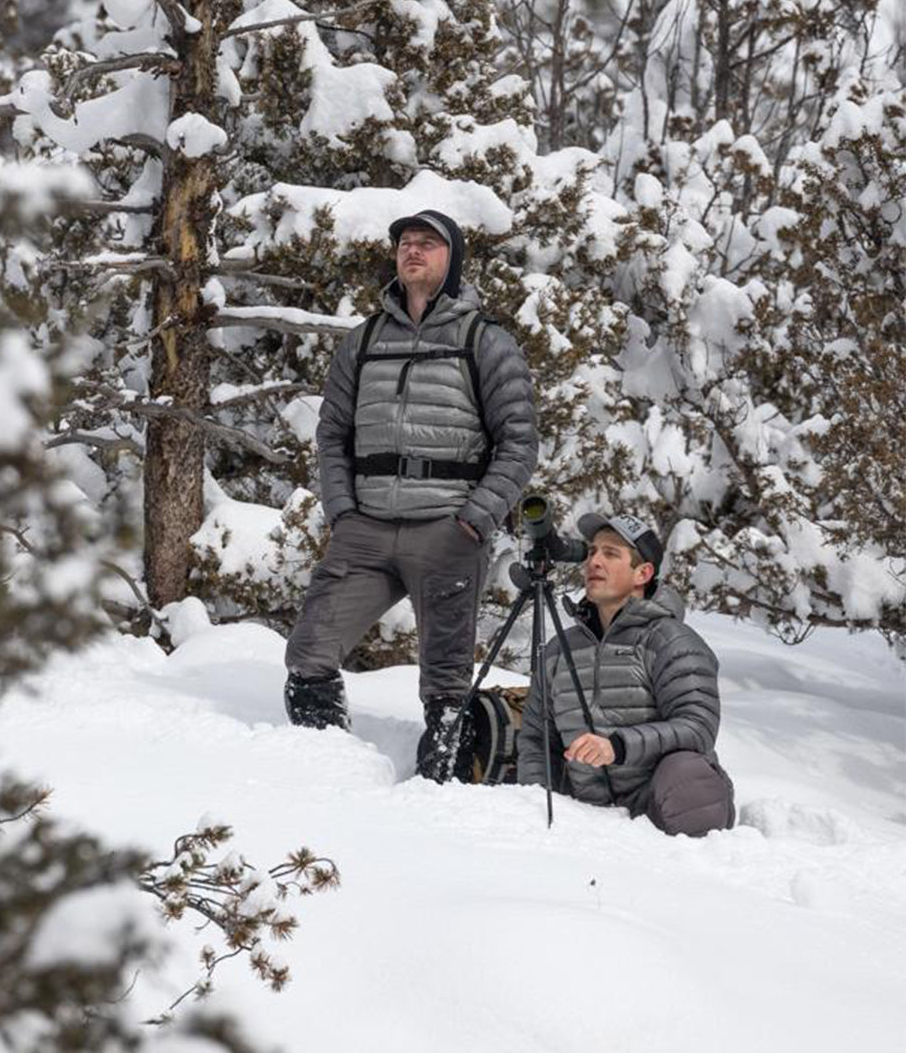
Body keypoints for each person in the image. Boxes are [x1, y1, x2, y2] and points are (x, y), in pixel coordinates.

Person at [283, 209, 538, 780]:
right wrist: (343, 512)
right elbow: (332, 434)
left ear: (453, 260)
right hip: (366, 530)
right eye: (404, 243)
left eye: (428, 243)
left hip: (445, 530)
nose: (413, 251)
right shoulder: (364, 340)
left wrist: (474, 519)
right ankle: (322, 770)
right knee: (309, 653)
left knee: (446, 682)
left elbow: (519, 443)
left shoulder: (485, 341)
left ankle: (436, 793)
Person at [516, 510, 736, 836]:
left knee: (690, 779)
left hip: (658, 803)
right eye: (591, 552)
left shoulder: (671, 641)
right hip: (584, 808)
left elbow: (697, 727)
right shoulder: (559, 649)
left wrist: (617, 747)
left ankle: (690, 870)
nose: (594, 562)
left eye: (610, 554)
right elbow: (536, 737)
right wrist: (537, 800)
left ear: (642, 573)